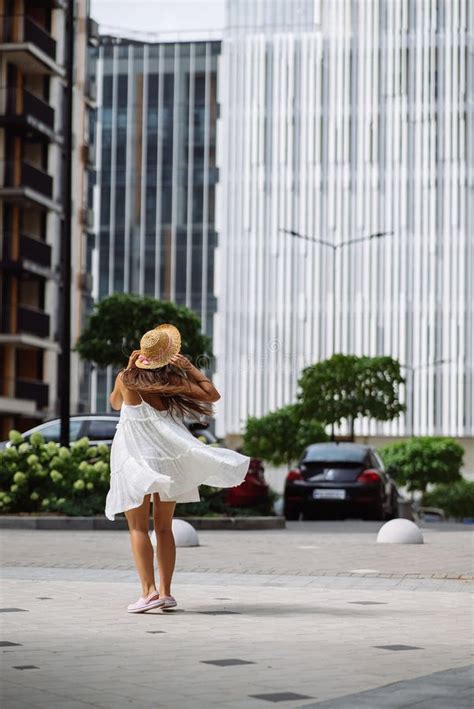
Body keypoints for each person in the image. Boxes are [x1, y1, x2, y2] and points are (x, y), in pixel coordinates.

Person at [105, 323, 250, 614]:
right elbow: (212, 394)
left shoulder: (126, 379)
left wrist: (128, 367)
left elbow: (114, 403)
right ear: (169, 356)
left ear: (142, 353)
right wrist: (190, 369)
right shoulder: (172, 382)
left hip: (136, 461)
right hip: (167, 460)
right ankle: (166, 593)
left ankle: (149, 593)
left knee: (137, 527)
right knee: (163, 527)